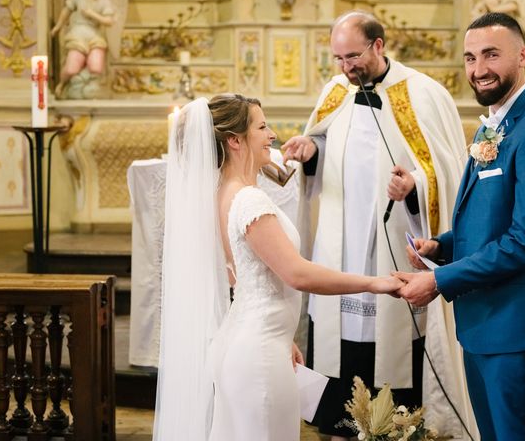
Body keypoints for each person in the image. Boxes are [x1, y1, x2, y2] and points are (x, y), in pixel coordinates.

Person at [152, 94, 403, 441]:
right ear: (235, 140)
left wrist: (280, 336)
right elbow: (296, 273)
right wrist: (374, 283)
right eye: (262, 127)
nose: (272, 135)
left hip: (247, 341)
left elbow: (241, 275)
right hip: (258, 355)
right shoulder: (248, 200)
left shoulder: (220, 193)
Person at [282, 11, 477, 440]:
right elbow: (323, 142)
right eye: (337, 58)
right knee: (339, 367)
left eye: (353, 56)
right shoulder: (336, 91)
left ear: (378, 46)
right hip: (342, 248)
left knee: (394, 367)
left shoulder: (423, 94)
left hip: (394, 247)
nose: (345, 67)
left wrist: (413, 186)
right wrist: (308, 150)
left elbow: (446, 171)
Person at [395, 12, 525, 440]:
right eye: (470, 57)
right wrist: (440, 246)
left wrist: (441, 280)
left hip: (519, 329)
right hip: (483, 326)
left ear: (522, 55)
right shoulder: (495, 127)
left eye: (491, 55)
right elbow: (488, 222)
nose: (479, 70)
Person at [50, 0, 123, 98]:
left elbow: (109, 21)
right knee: (71, 68)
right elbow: (66, 11)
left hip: (94, 35)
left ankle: (84, 87)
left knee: (96, 67)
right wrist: (58, 26)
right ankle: (62, 84)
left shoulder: (104, 1)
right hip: (78, 33)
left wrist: (92, 14)